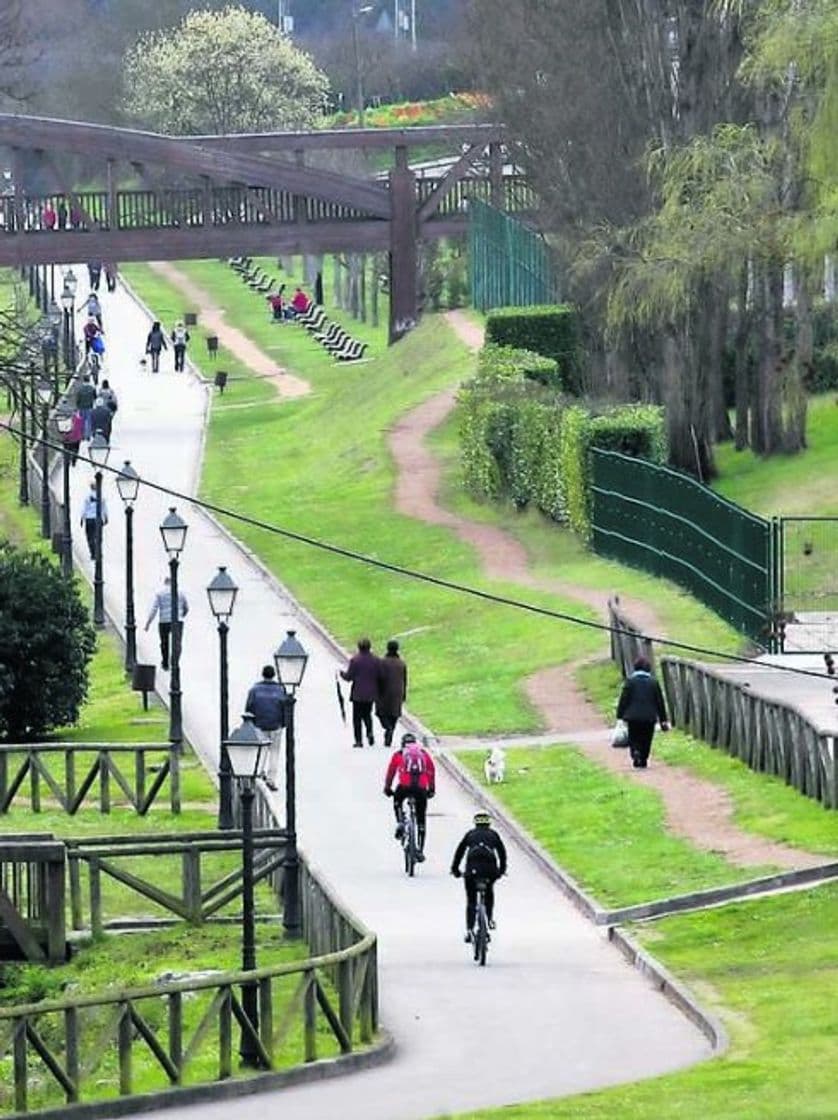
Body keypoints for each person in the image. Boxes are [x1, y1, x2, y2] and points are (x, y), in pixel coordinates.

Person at [450, 812, 507, 942]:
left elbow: (459, 852)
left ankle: (470, 929)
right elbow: (502, 853)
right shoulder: (493, 835)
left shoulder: (470, 834)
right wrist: (501, 870)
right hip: (489, 870)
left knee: (471, 901)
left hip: (472, 870)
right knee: (489, 892)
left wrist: (455, 870)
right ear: (488, 823)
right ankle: (489, 919)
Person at [383, 732, 435, 860]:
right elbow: (431, 771)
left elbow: (391, 772)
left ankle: (400, 823)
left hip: (404, 786)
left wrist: (388, 788)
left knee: (397, 800)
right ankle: (420, 849)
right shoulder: (423, 754)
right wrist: (431, 789)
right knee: (421, 818)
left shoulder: (399, 754)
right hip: (421, 788)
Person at [616, 656, 670, 769]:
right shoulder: (653, 682)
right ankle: (644, 757)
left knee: (634, 736)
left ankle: (635, 752)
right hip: (649, 717)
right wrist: (663, 719)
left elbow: (624, 699)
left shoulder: (630, 681)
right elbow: (659, 701)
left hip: (632, 716)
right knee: (646, 737)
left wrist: (620, 715)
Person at [244, 666, 288, 791]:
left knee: (261, 751)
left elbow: (249, 707)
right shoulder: (280, 690)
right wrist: (283, 723)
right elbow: (285, 707)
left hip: (259, 725)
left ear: (262, 674)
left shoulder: (255, 690)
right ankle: (271, 779)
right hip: (276, 726)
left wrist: (250, 723)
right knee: (274, 753)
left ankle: (259, 775)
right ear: (274, 675)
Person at [144, 576, 189, 672]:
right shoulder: (180, 593)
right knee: (177, 643)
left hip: (164, 621)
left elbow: (154, 609)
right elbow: (186, 607)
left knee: (164, 642)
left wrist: (148, 623)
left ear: (165, 583)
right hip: (177, 620)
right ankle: (174, 661)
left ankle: (165, 662)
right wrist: (182, 614)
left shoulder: (160, 593)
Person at [340, 637, 379, 748]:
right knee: (367, 715)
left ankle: (358, 740)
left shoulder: (355, 660)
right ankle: (370, 733)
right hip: (371, 693)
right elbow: (380, 675)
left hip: (358, 693)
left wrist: (341, 674)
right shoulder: (376, 660)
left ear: (359, 647)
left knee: (356, 718)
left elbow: (349, 677)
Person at [376, 639, 407, 747]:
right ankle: (391, 729)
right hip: (397, 691)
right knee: (394, 713)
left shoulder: (382, 662)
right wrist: (404, 694)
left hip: (383, 691)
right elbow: (404, 679)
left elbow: (378, 678)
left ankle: (388, 729)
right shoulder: (401, 663)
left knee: (381, 713)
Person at [80, 481, 107, 562]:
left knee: (90, 537)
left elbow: (84, 509)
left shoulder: (87, 497)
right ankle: (99, 552)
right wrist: (106, 518)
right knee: (99, 537)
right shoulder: (101, 497)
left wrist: (82, 518)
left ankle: (93, 553)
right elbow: (104, 509)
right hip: (98, 519)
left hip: (89, 519)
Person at [74, 374, 97, 440]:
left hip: (81, 407)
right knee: (89, 422)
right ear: (89, 380)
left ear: (83, 380)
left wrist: (77, 406)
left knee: (82, 422)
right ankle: (88, 436)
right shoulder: (92, 388)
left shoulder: (80, 389)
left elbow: (78, 399)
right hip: (89, 407)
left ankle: (82, 435)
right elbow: (95, 397)